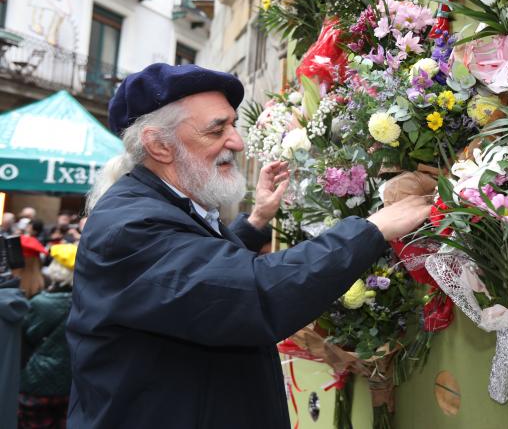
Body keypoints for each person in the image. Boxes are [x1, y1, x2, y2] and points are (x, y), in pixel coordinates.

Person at [66, 63, 430, 429]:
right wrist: (371, 230)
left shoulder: (156, 207)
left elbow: (192, 271)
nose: (237, 142)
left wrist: (255, 223)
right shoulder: (129, 226)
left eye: (233, 124)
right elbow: (246, 293)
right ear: (160, 145)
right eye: (216, 129)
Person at [18, 243, 76, 429]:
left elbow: (27, 335)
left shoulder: (42, 303)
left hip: (36, 382)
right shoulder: (85, 304)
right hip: (70, 383)